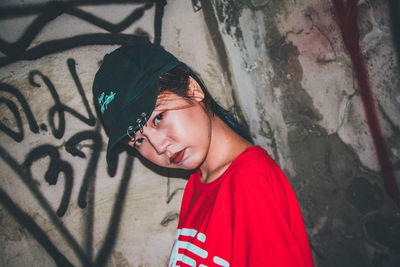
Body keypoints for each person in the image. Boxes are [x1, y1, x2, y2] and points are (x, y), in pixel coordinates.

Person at [92, 41, 314, 267]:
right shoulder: (198, 184)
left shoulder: (249, 180)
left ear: (192, 89)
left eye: (158, 117)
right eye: (138, 141)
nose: (158, 147)